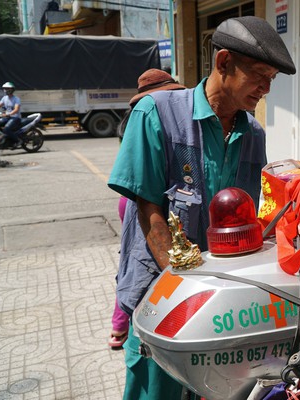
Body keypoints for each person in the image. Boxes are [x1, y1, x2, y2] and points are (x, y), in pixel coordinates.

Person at [107, 16, 295, 400]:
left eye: (272, 80)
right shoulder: (156, 114)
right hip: (162, 299)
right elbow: (148, 210)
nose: (266, 88)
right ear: (223, 62)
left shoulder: (253, 135)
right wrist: (186, 292)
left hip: (219, 307)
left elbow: (248, 217)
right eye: (260, 75)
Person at [108, 68, 186, 349]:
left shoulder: (132, 119)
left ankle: (119, 328)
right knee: (139, 258)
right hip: (137, 197)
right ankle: (124, 325)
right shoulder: (147, 118)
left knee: (133, 255)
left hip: (135, 196)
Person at [0, 82, 23, 149]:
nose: (5, 90)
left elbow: (16, 109)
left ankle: (18, 140)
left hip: (15, 118)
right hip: (7, 117)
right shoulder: (4, 98)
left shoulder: (16, 99)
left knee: (6, 129)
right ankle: (5, 137)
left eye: (7, 89)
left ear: (11, 90)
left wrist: (8, 114)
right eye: (4, 89)